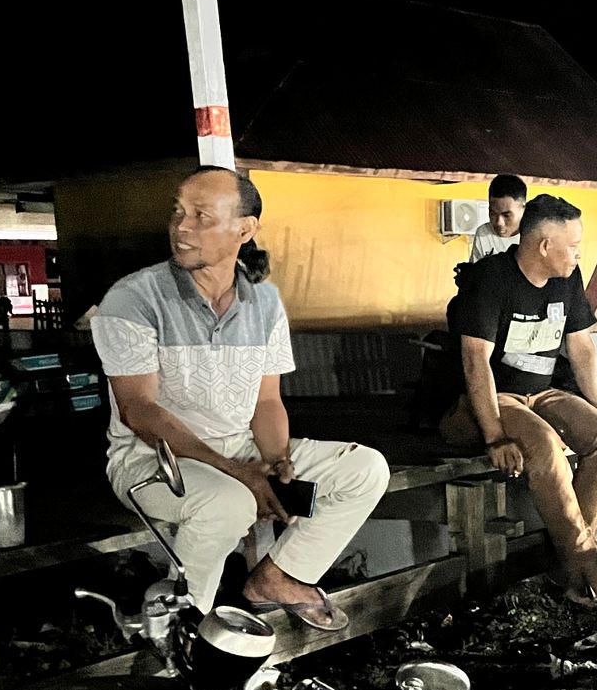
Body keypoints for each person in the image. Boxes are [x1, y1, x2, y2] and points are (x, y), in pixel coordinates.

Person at [91, 167, 391, 630]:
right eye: (178, 213)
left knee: (365, 469)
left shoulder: (264, 304)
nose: (181, 227)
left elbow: (266, 402)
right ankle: (184, 624)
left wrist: (277, 463)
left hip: (239, 449)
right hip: (155, 461)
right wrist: (237, 472)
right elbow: (139, 411)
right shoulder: (132, 299)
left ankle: (279, 577)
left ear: (245, 229)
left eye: (201, 217)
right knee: (229, 503)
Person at [443, 194, 597, 606]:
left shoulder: (567, 278)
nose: (579, 253)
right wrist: (495, 436)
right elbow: (475, 361)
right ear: (545, 245)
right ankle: (587, 561)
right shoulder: (491, 279)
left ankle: (571, 567)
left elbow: (581, 348)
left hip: (543, 392)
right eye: (574, 245)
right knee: (545, 446)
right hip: (494, 398)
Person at [469, 174, 527, 262]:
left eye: (506, 215)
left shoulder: (533, 236)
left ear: (523, 210)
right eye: (493, 214)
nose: (499, 222)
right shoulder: (483, 233)